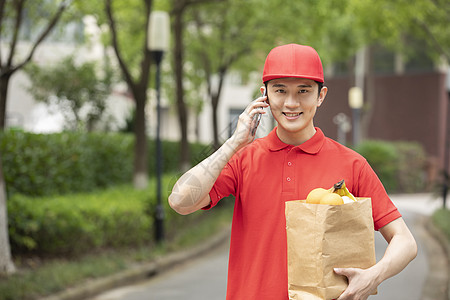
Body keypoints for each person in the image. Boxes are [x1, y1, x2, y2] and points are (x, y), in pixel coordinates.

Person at [168, 43, 417, 300]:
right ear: (264, 95)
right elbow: (179, 201)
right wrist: (233, 143)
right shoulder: (243, 159)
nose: (291, 102)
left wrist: (373, 276)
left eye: (303, 91)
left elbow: (405, 242)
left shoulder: (352, 164)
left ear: (321, 96)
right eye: (280, 90)